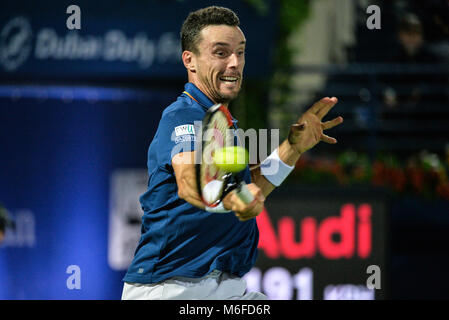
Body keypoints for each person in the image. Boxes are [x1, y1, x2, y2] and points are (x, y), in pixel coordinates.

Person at [121, 6, 343, 300]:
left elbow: (249, 186)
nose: (235, 62)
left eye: (240, 52)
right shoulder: (182, 117)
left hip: (226, 289)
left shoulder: (225, 125)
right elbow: (190, 184)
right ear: (190, 60)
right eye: (221, 53)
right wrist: (232, 200)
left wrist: (293, 148)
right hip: (171, 290)